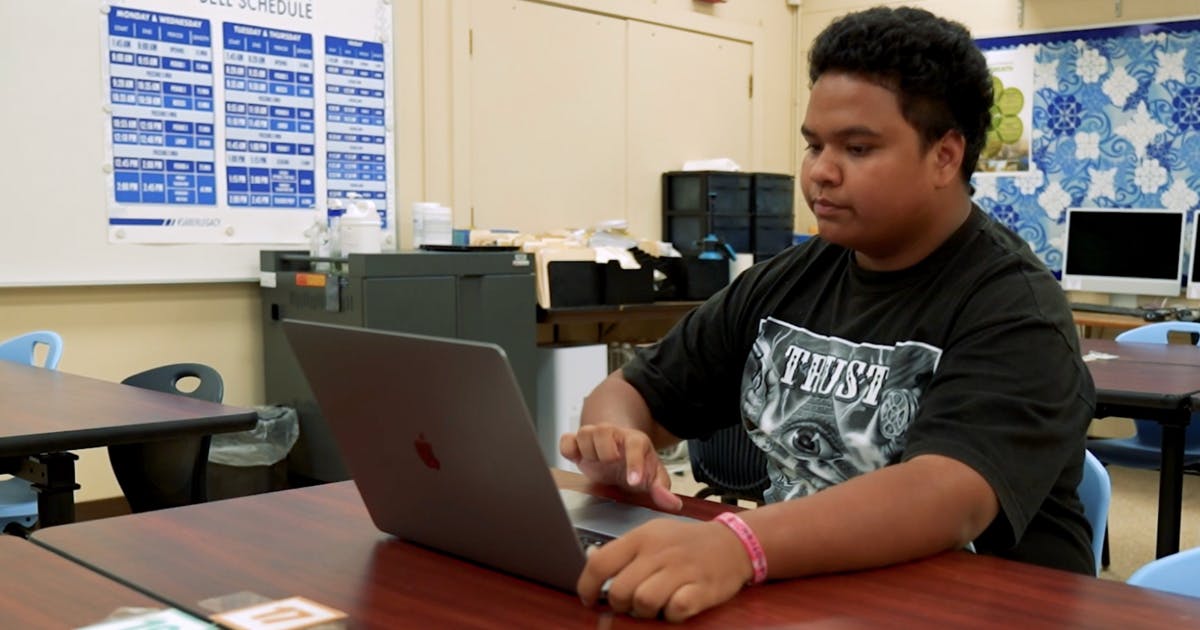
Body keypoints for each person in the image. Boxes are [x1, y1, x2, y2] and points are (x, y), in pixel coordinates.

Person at [559, 5, 1097, 623]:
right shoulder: (789, 279)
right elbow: (633, 390)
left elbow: (947, 495)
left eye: (858, 148)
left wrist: (741, 544)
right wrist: (620, 441)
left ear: (945, 157)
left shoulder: (1016, 310)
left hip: (980, 607)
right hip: (814, 594)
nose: (820, 172)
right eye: (814, 145)